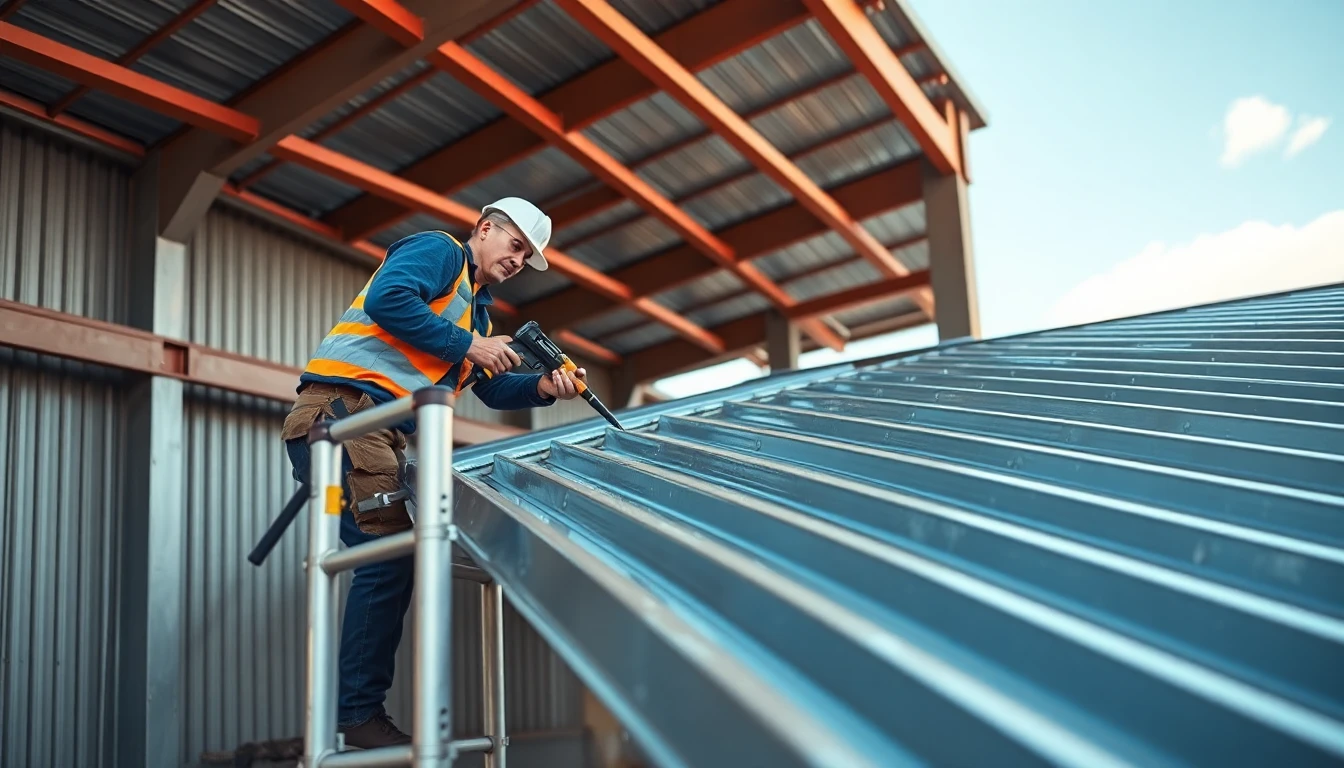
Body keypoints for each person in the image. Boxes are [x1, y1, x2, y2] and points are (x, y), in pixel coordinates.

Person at [280, 197, 585, 748]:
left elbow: (491, 387)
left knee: (387, 552)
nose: (518, 261)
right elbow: (389, 298)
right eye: (515, 245)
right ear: (485, 228)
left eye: (527, 257)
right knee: (389, 551)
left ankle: (358, 709)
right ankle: (357, 713)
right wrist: (472, 344)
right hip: (344, 417)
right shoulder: (439, 252)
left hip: (368, 433)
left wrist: (542, 387)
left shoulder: (479, 315)